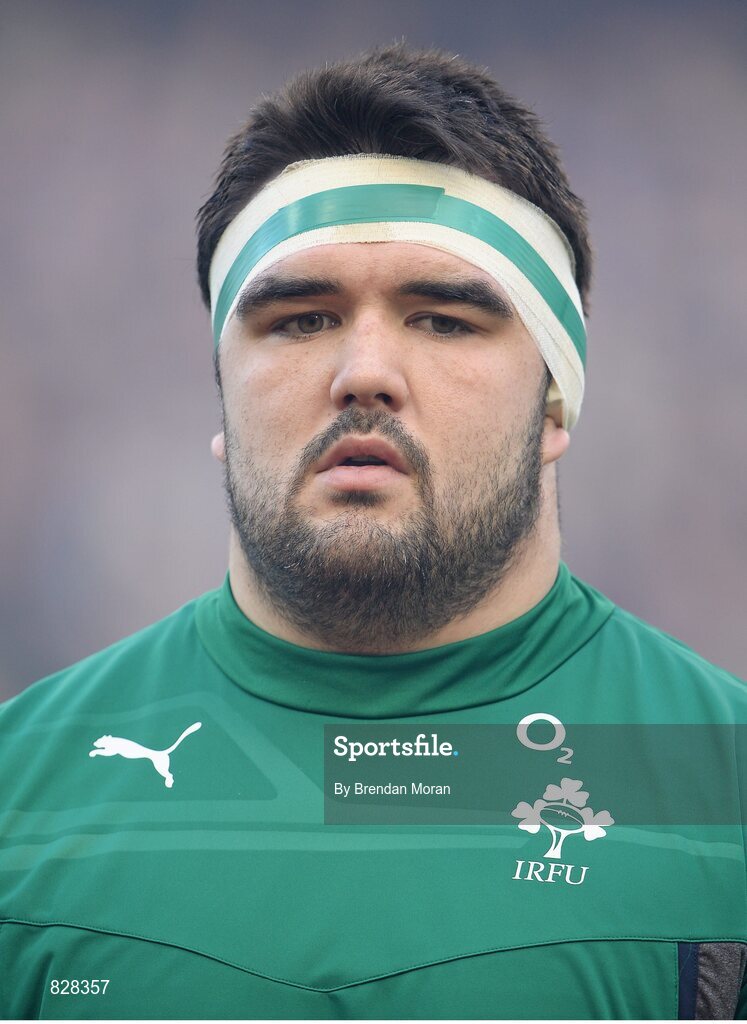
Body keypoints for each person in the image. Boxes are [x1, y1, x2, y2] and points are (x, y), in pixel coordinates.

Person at [0, 42, 744, 1021]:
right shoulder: (25, 795)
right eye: (301, 318)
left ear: (557, 401)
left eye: (441, 318)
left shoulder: (720, 784)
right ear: (222, 393)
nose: (364, 369)